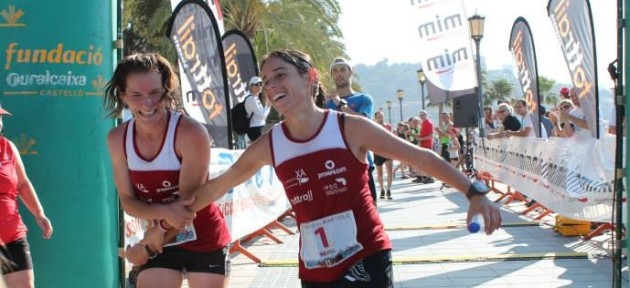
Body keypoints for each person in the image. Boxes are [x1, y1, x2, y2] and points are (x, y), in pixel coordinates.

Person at [145, 50, 502, 287]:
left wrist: (474, 193)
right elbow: (217, 187)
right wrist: (163, 226)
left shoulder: (349, 127)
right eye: (266, 82)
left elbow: (421, 158)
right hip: (314, 267)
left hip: (366, 256)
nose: (271, 87)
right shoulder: (270, 144)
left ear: (310, 77)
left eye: (280, 76)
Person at [103, 53, 231, 288]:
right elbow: (128, 201)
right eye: (136, 95)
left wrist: (149, 246)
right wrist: (154, 236)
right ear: (123, 97)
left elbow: (188, 205)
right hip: (160, 241)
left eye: (155, 93)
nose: (147, 103)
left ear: (166, 90)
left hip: (201, 236)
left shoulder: (190, 133)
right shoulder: (117, 139)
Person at [0, 105, 53, 288]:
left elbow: (22, 183)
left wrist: (39, 214)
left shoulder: (8, 147)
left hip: (12, 234)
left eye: (0, 118)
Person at [325, 57, 379, 205]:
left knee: (371, 213)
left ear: (351, 72)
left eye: (342, 69)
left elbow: (365, 123)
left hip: (361, 164)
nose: (339, 73)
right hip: (335, 168)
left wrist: (340, 104)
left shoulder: (363, 99)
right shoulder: (326, 104)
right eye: (335, 71)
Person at [373, 111, 394, 200]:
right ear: (376, 118)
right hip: (378, 152)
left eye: (382, 117)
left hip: (388, 151)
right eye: (379, 117)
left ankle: (389, 189)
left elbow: (392, 138)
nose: (381, 119)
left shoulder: (388, 126)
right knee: (380, 173)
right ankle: (382, 189)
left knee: (390, 172)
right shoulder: (373, 126)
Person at [244, 76, 271, 142]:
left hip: (259, 128)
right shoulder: (251, 99)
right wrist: (268, 106)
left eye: (260, 84)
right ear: (251, 86)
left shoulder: (255, 98)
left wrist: (267, 105)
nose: (259, 87)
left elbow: (261, 114)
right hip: (255, 129)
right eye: (256, 85)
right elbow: (262, 116)